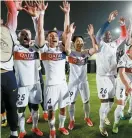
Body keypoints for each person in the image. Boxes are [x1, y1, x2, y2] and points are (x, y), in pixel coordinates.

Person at [33, 0, 75, 137]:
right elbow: (39, 31)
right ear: (47, 39)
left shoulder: (62, 49)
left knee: (63, 107)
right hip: (50, 85)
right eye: (50, 36)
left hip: (63, 84)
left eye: (55, 36)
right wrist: (42, 13)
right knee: (51, 110)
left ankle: (61, 126)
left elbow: (68, 32)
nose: (53, 37)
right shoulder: (44, 49)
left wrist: (67, 14)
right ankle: (52, 130)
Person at [95, 10, 127, 137]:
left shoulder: (114, 44)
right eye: (106, 34)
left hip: (112, 77)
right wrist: (109, 21)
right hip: (102, 77)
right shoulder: (100, 44)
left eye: (109, 34)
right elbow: (98, 34)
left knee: (111, 102)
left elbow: (124, 36)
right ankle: (102, 126)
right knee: (104, 103)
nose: (108, 35)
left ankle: (105, 116)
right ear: (104, 37)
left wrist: (123, 25)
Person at [67, 24, 98, 130]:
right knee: (71, 102)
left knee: (86, 101)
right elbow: (66, 47)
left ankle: (87, 117)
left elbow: (96, 49)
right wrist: (70, 34)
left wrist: (92, 35)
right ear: (73, 43)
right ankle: (72, 120)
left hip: (83, 82)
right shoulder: (70, 53)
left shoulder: (85, 53)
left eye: (81, 41)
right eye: (77, 41)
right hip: (72, 83)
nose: (80, 43)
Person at [1, 1, 23, 137]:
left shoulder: (9, 29)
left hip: (8, 75)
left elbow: (12, 10)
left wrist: (12, 4)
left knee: (12, 106)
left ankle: (14, 133)